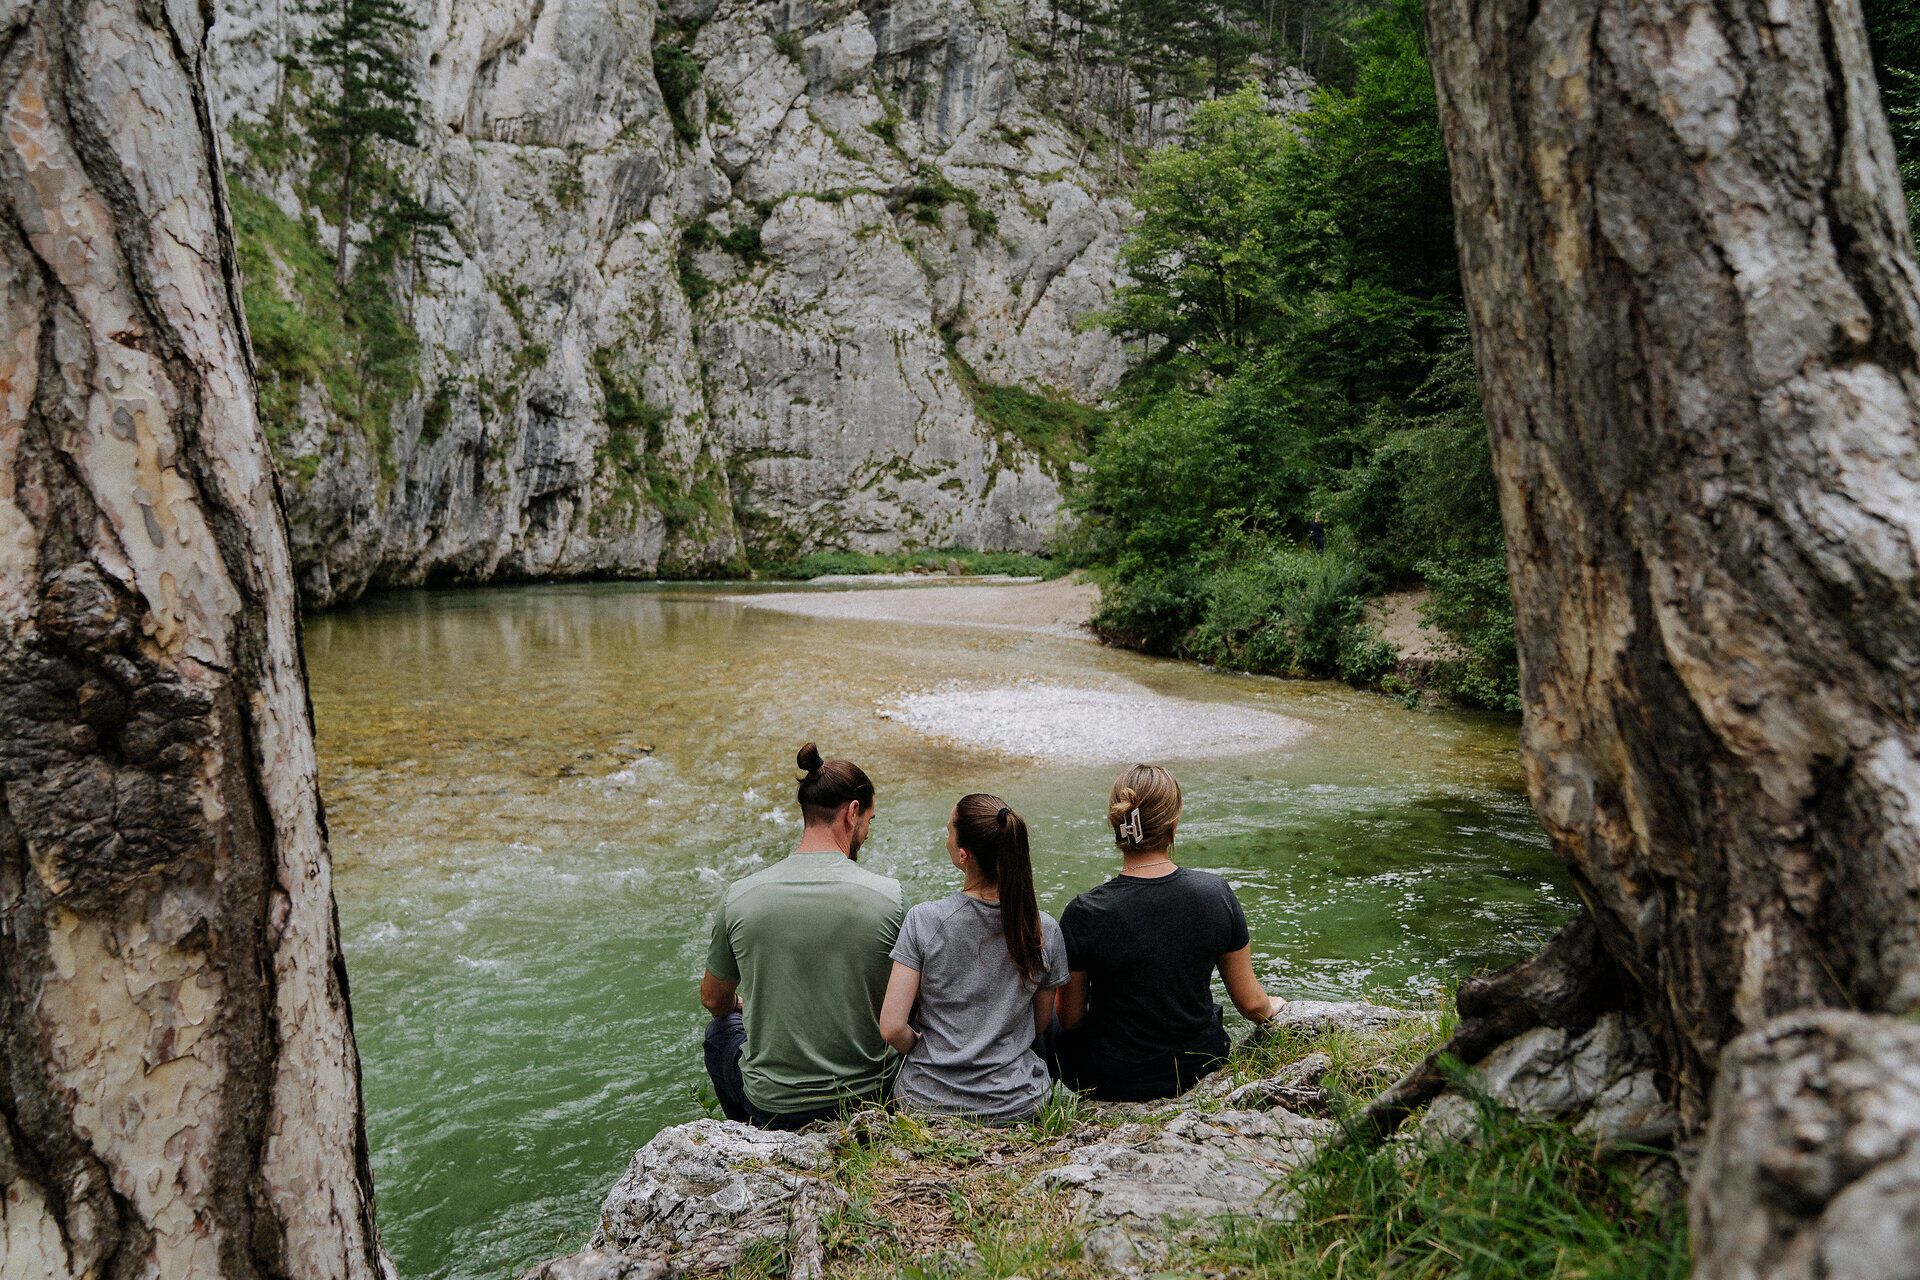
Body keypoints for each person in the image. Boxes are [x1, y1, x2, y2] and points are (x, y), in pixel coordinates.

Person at [699, 743, 905, 1128]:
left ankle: (752, 1139)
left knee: (720, 1032)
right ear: (853, 812)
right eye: (869, 822)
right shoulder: (889, 897)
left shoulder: (741, 896)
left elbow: (713, 999)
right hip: (868, 1098)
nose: (867, 834)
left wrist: (748, 1006)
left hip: (774, 1106)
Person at [1055, 764, 1284, 1101]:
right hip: (1201, 1067)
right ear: (1174, 823)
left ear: (1114, 823)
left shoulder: (1085, 911)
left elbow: (1071, 1019)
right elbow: (1252, 1004)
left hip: (1113, 1080)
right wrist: (1275, 1005)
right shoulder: (1215, 893)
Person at [878, 794, 1069, 1123]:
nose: (946, 836)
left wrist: (923, 1048)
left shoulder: (925, 921)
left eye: (949, 830)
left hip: (928, 1103)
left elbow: (893, 1027)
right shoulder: (1042, 929)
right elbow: (1039, 1024)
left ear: (963, 855)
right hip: (1018, 1104)